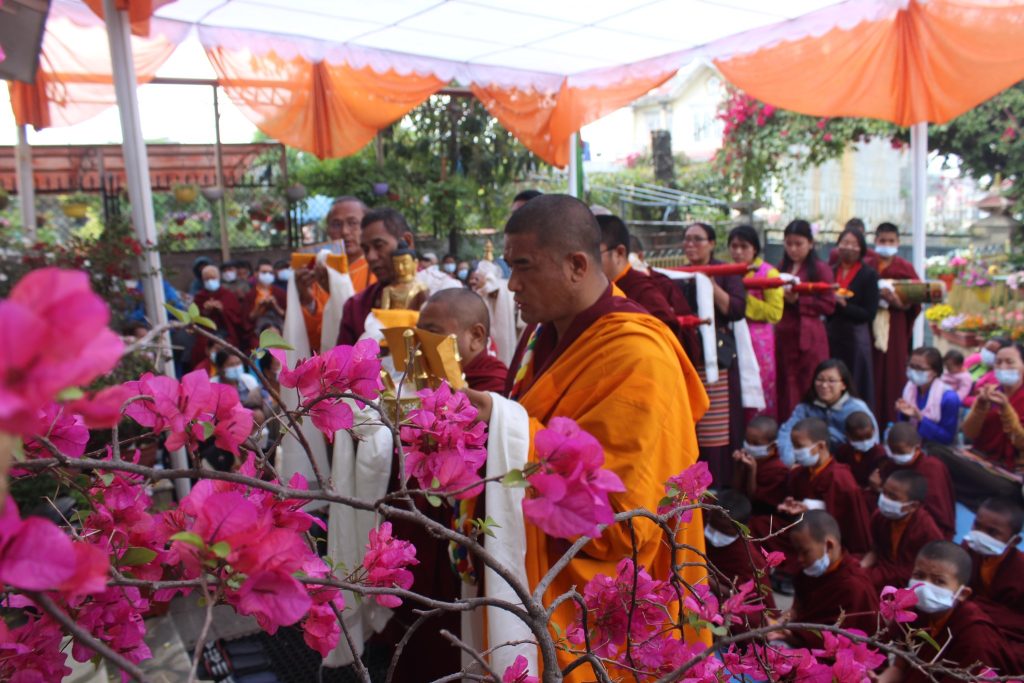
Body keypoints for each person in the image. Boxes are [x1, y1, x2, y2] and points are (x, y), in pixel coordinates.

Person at [464, 194, 710, 682]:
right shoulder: (548, 336)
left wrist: (504, 425)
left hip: (602, 611)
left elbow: (623, 521)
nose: (511, 284)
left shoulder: (638, 355)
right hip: (545, 581)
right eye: (509, 267)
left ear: (577, 265)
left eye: (523, 266)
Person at [877, 542, 1019, 683]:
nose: (924, 586)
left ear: (962, 593)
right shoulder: (914, 612)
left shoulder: (975, 637)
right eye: (919, 575)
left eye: (939, 581)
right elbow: (899, 668)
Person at [679, 222, 747, 488]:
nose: (690, 244)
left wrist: (710, 283)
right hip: (687, 359)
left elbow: (737, 309)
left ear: (711, 244)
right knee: (690, 428)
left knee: (714, 432)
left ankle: (718, 490)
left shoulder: (725, 272)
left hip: (716, 362)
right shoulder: (678, 274)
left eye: (697, 239)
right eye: (687, 239)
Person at [337, 208, 459, 346]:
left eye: (379, 245)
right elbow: (344, 357)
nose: (371, 257)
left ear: (407, 241)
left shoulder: (444, 290)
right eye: (366, 250)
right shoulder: (356, 306)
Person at [785, 510, 879, 648]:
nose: (800, 559)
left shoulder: (854, 586)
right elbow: (797, 611)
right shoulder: (806, 572)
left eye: (804, 552)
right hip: (801, 642)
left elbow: (842, 641)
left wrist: (790, 636)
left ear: (829, 546)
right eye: (797, 552)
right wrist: (780, 622)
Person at [779, 417, 873, 554]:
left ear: (821, 446)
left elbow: (853, 522)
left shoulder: (840, 477)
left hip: (831, 541)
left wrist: (812, 507)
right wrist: (792, 505)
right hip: (802, 533)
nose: (795, 451)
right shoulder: (798, 474)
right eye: (794, 446)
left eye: (800, 446)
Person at [777, 219, 836, 416]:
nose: (793, 249)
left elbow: (829, 304)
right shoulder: (781, 267)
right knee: (785, 384)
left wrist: (798, 300)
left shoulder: (820, 269)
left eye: (798, 244)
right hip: (785, 335)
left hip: (809, 337)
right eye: (789, 243)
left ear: (810, 244)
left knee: (809, 382)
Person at [777, 359, 878, 466]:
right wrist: (790, 461)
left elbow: (872, 440)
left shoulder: (856, 408)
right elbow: (786, 432)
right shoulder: (806, 407)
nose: (824, 385)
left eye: (831, 381)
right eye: (820, 380)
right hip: (810, 464)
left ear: (843, 385)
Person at [729, 224, 784, 419]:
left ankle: (761, 432)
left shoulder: (769, 273)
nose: (738, 252)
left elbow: (775, 313)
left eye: (743, 247)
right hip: (733, 338)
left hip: (759, 342)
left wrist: (742, 300)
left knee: (760, 385)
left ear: (754, 249)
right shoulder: (727, 272)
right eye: (734, 246)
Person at [871, 222, 922, 426]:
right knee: (872, 370)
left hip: (896, 325)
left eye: (891, 241)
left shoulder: (905, 268)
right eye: (882, 240)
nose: (886, 244)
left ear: (898, 242)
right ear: (875, 241)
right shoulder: (867, 264)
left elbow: (916, 299)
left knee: (894, 370)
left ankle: (895, 421)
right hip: (871, 323)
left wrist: (899, 303)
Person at [596, 214, 681, 337]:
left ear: (619, 253)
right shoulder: (601, 289)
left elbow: (666, 333)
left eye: (594, 254)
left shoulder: (642, 291)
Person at [961, 497, 1024, 661]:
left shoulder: (1020, 567)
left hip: (1008, 633)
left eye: (992, 532)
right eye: (977, 526)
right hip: (970, 619)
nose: (980, 535)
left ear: (1014, 541)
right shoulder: (967, 548)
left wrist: (976, 611)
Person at [704, 489, 777, 629]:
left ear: (742, 529)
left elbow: (742, 596)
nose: (715, 534)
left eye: (724, 530)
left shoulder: (750, 559)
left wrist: (705, 578)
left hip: (723, 601)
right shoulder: (702, 516)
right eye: (712, 525)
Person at [860, 469, 943, 590]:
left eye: (893, 497)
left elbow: (931, 568)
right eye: (884, 492)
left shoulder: (926, 529)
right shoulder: (880, 515)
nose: (885, 499)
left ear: (913, 506)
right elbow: (875, 550)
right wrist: (862, 567)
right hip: (882, 567)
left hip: (906, 578)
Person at [870, 423, 956, 539]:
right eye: (892, 450)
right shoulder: (890, 463)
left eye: (900, 451)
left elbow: (938, 510)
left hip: (919, 525)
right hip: (894, 519)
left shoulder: (932, 468)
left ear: (917, 447)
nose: (895, 455)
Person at [417, 289, 509, 393]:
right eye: (419, 332)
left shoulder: (494, 386)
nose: (420, 342)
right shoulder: (426, 373)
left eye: (432, 332)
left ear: (476, 336)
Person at [828, 227, 880, 409]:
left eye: (853, 244)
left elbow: (869, 313)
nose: (848, 247)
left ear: (861, 248)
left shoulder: (868, 274)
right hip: (832, 333)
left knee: (855, 381)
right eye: (844, 242)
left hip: (855, 336)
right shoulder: (830, 271)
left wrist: (844, 305)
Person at [962, 342, 1024, 470]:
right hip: (982, 458)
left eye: (1010, 362)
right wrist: (980, 406)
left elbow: (1021, 443)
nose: (1003, 367)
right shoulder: (991, 392)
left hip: (1013, 467)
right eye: (998, 362)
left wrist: (1006, 409)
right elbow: (969, 433)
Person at [897, 346, 961, 445]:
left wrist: (921, 419)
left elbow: (947, 438)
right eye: (911, 366)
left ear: (935, 371)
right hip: (911, 445)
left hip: (937, 449)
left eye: (919, 368)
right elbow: (904, 424)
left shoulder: (949, 398)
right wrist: (902, 412)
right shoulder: (910, 388)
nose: (913, 371)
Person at [470, 260, 522, 367]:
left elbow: (491, 288)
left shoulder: (500, 288)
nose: (473, 282)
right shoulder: (479, 292)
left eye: (477, 278)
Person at [190, 264, 243, 368]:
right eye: (207, 279)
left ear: (218, 278)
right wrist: (205, 311)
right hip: (207, 333)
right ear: (202, 280)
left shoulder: (228, 295)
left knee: (231, 344)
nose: (210, 281)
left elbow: (236, 318)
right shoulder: (199, 297)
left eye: (213, 278)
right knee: (200, 347)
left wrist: (222, 310)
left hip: (225, 331)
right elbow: (194, 319)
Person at [326, 196, 374, 293]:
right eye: (337, 224)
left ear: (368, 228)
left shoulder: (378, 269)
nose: (345, 232)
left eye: (352, 223)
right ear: (328, 231)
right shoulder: (321, 271)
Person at [833, 411, 884, 488]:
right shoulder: (843, 451)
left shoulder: (880, 454)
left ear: (874, 431)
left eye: (868, 437)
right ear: (848, 435)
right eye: (858, 439)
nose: (865, 442)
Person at [242, 259, 287, 345]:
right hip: (258, 328)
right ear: (256, 274)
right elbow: (248, 319)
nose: (267, 275)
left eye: (270, 273)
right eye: (264, 272)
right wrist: (259, 307)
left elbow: (286, 316)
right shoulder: (250, 295)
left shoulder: (280, 293)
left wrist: (275, 306)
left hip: (279, 326)